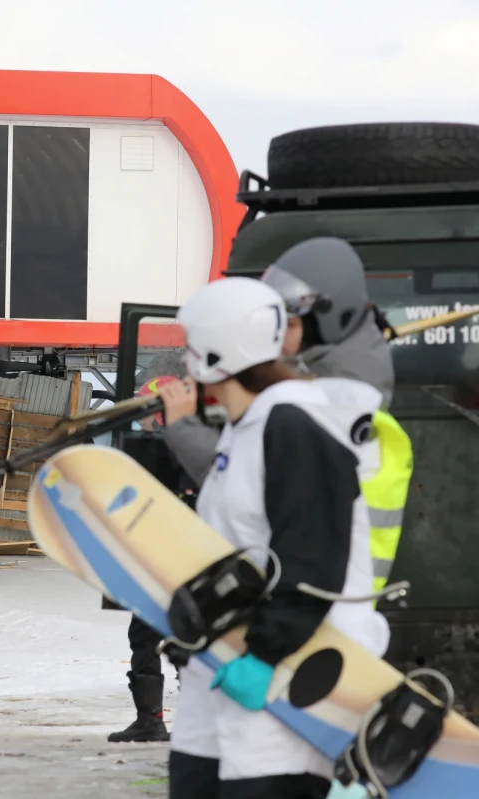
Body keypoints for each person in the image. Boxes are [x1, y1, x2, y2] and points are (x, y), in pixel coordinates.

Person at [167, 277, 390, 798]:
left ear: (215, 349)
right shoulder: (245, 429)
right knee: (195, 781)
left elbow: (312, 556)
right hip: (228, 666)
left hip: (288, 674)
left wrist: (264, 655)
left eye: (189, 344)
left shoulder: (294, 428)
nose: (183, 357)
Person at [159, 237, 411, 592]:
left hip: (322, 598)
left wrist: (184, 425)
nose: (275, 339)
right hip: (311, 586)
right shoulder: (322, 375)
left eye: (288, 326)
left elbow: (237, 481)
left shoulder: (335, 397)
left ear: (325, 321)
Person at [106, 374, 183, 744]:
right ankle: (152, 719)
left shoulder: (169, 452)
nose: (142, 420)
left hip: (171, 563)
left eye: (146, 411)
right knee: (152, 637)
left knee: (165, 638)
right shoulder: (166, 449)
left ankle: (153, 719)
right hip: (156, 561)